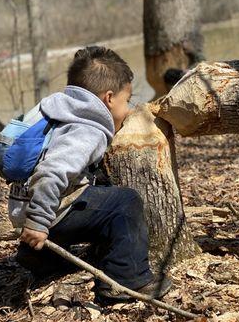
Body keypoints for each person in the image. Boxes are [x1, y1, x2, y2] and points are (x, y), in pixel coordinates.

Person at [9, 46, 171, 301]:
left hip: (22, 206)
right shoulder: (88, 129)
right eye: (125, 100)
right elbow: (53, 171)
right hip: (46, 213)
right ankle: (126, 280)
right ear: (108, 98)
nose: (127, 110)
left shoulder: (56, 108)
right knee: (125, 203)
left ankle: (39, 257)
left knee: (100, 189)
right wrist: (39, 222)